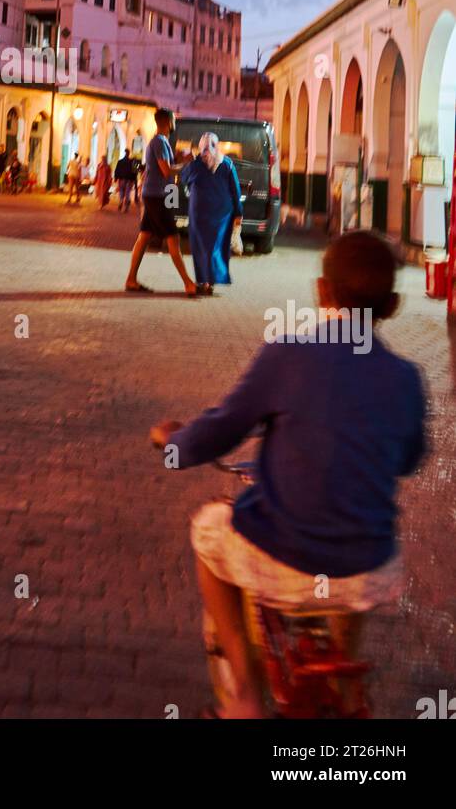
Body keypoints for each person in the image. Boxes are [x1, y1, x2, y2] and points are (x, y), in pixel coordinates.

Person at [150, 231, 427, 719]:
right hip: (371, 570)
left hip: (289, 561)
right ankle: (342, 691)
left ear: (322, 291)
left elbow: (219, 431)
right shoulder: (406, 377)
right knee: (353, 559)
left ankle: (243, 698)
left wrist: (173, 443)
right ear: (394, 305)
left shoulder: (289, 353)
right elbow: (409, 459)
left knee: (208, 533)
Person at [125, 108, 196, 296]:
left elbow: (165, 165)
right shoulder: (160, 142)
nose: (175, 123)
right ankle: (189, 283)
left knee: (144, 236)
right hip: (158, 196)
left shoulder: (160, 142)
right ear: (167, 122)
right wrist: (187, 163)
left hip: (154, 194)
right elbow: (166, 170)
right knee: (173, 237)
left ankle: (131, 279)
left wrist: (179, 158)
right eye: (173, 120)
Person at [180, 132, 243, 295]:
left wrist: (187, 162)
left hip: (199, 213)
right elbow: (235, 190)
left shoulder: (195, 165)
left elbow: (183, 179)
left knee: (201, 247)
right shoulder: (227, 163)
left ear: (201, 146)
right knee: (215, 247)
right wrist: (238, 212)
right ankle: (211, 280)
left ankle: (204, 281)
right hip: (222, 214)